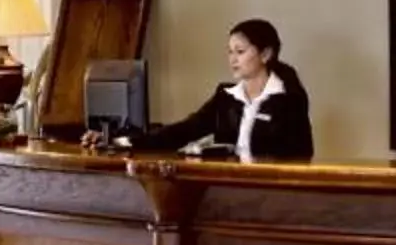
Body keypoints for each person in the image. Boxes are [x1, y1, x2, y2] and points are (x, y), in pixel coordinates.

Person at [86, 19, 315, 163]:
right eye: (230, 52)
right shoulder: (226, 97)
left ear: (265, 55)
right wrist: (119, 141)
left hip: (270, 193)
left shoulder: (288, 99)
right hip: (227, 188)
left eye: (240, 51)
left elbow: (302, 155)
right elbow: (184, 131)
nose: (232, 59)